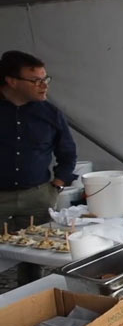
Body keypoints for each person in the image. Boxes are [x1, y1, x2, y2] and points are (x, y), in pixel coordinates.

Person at [0, 50, 77, 232]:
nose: (44, 86)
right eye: (36, 81)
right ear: (12, 81)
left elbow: (68, 153)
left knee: (38, 250)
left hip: (38, 198)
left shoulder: (50, 114)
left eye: (45, 79)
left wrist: (57, 186)